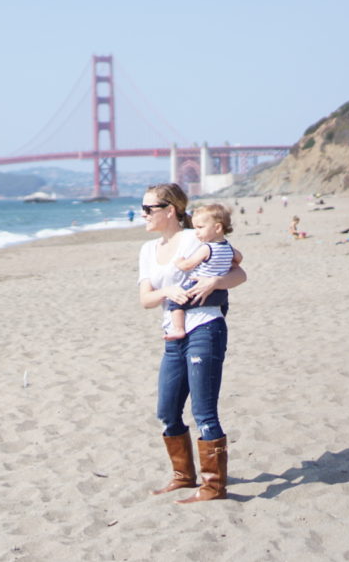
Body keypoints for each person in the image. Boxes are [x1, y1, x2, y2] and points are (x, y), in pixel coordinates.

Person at [138, 183, 247, 503]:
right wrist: (166, 293)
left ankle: (213, 486)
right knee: (167, 411)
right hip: (173, 336)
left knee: (204, 413)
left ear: (169, 210)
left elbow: (239, 273)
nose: (142, 215)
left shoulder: (195, 237)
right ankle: (184, 476)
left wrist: (215, 280)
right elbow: (145, 299)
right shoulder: (147, 251)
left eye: (148, 209)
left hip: (206, 328)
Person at [164, 204, 240, 341]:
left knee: (175, 301)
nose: (196, 232)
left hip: (199, 287)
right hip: (220, 292)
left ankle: (179, 329)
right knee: (221, 308)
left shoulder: (207, 248)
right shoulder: (229, 248)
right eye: (195, 228)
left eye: (200, 228)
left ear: (217, 228)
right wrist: (227, 262)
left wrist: (179, 262)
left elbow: (188, 265)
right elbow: (239, 258)